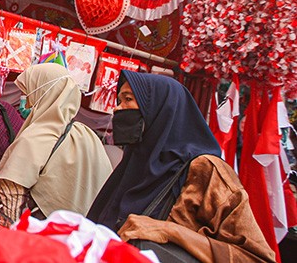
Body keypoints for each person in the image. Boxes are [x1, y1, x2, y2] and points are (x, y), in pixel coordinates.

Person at [87, 70, 276, 262]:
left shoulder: (204, 170)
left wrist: (171, 231)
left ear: (160, 108)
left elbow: (257, 258)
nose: (119, 108)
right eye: (119, 100)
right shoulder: (135, 163)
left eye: (128, 99)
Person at [0, 63, 112, 226]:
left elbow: (7, 208)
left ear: (42, 94)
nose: (25, 102)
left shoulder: (35, 138)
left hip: (37, 237)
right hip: (78, 238)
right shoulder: (88, 136)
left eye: (28, 94)